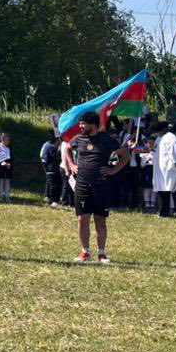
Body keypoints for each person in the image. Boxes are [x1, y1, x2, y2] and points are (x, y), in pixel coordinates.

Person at [64, 110, 131, 263]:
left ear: (93, 124)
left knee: (100, 219)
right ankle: (85, 252)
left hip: (101, 185)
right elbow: (67, 148)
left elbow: (125, 155)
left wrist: (113, 170)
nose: (80, 126)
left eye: (83, 124)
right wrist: (72, 164)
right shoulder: (79, 138)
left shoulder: (106, 139)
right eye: (80, 123)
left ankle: (101, 253)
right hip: (82, 184)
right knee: (82, 219)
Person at [153, 123, 176, 217]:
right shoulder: (173, 138)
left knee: (164, 191)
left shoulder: (162, 138)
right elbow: (173, 153)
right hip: (172, 168)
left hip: (162, 168)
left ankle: (164, 212)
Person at [39, 131, 62, 207]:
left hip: (53, 167)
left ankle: (50, 197)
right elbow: (54, 157)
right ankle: (52, 199)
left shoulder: (51, 145)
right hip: (50, 167)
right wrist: (59, 150)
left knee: (53, 182)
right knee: (53, 183)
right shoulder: (50, 147)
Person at [0, 133, 14, 202]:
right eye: (7, 139)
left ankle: (7, 197)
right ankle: (0, 197)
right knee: (1, 181)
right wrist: (2, 162)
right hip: (0, 167)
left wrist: (9, 163)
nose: (9, 141)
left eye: (9, 140)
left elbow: (12, 158)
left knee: (7, 182)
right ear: (3, 139)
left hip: (8, 167)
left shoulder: (9, 148)